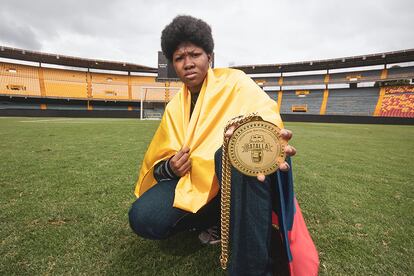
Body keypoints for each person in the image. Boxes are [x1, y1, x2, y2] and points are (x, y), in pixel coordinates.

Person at [129, 15, 319, 275]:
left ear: (209, 56)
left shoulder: (235, 82)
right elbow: (160, 159)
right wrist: (171, 168)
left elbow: (264, 119)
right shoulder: (174, 107)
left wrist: (271, 139)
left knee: (238, 149)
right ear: (173, 64)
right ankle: (220, 218)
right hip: (194, 182)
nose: (188, 63)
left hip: (240, 182)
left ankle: (253, 266)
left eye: (194, 54)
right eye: (179, 58)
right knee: (142, 217)